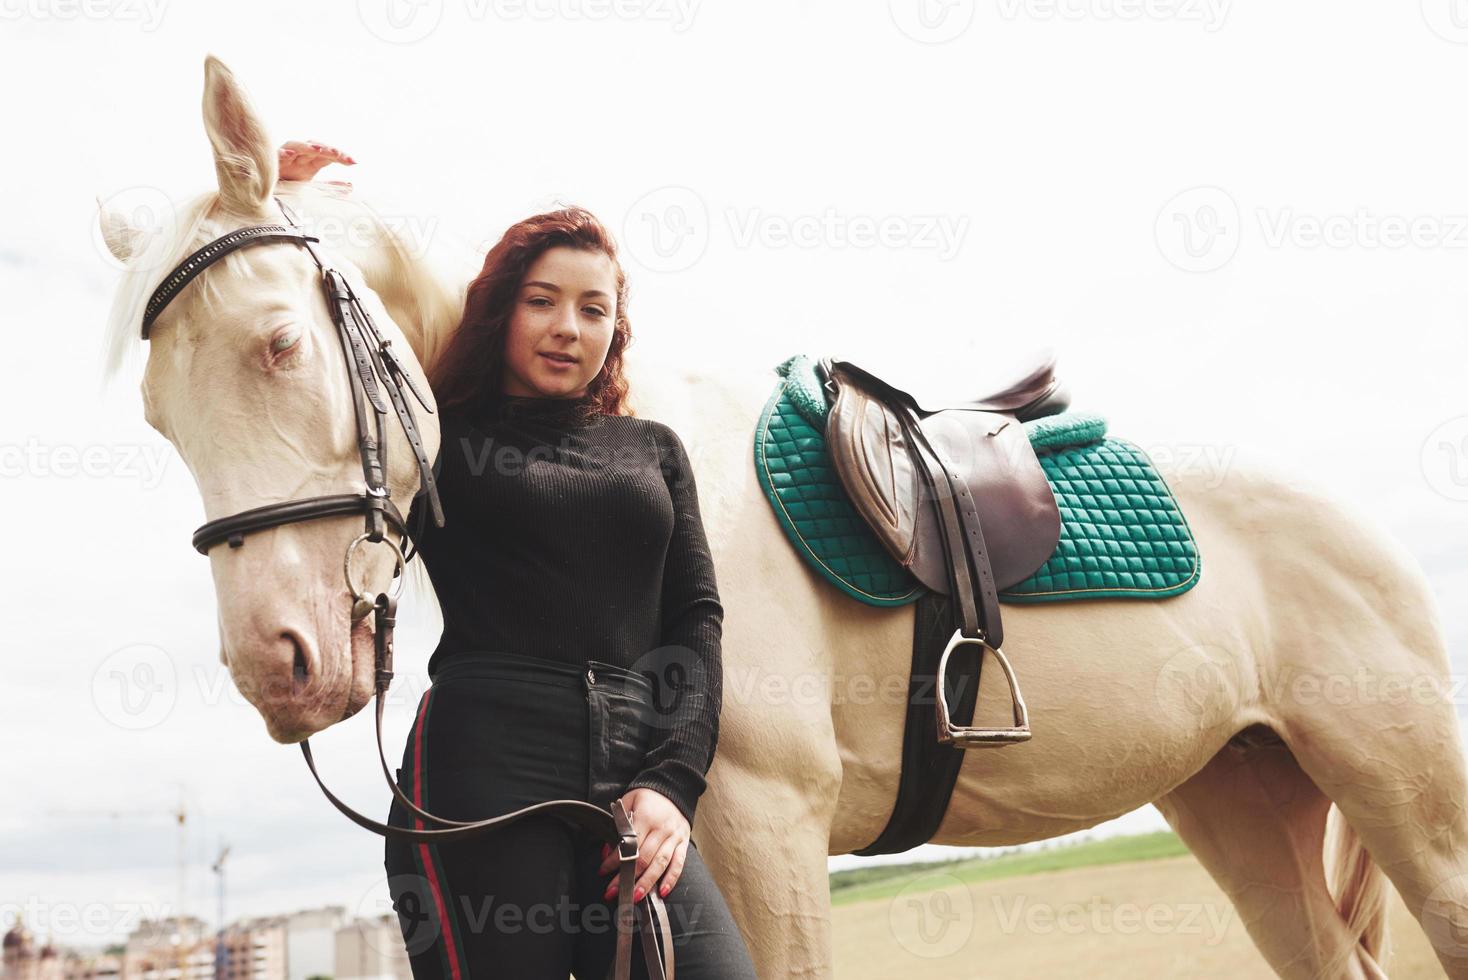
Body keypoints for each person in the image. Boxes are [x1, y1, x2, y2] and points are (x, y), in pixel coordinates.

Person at [274, 145, 756, 977]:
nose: (570, 327)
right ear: (502, 310)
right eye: (544, 301)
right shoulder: (434, 437)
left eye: (594, 309)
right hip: (481, 772)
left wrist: (674, 784)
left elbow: (696, 620)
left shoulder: (653, 448)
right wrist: (285, 200)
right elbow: (304, 322)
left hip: (634, 775)